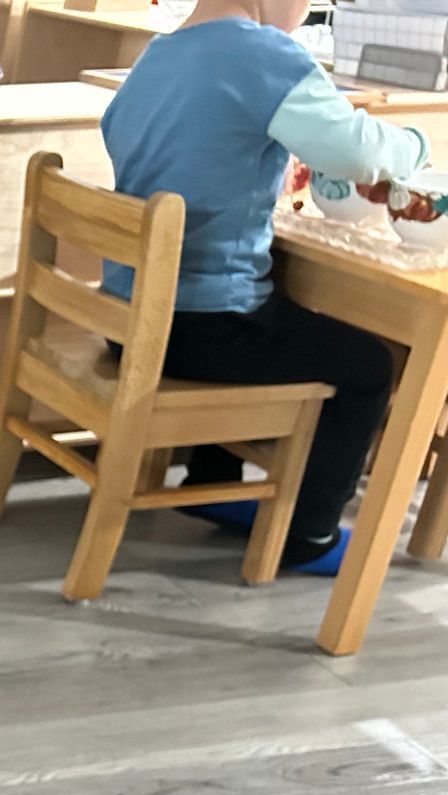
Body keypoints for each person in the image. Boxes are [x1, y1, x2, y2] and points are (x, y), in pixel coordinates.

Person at [102, 0, 429, 575]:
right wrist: (415, 146)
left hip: (129, 317)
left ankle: (216, 483)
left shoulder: (159, 56)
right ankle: (310, 535)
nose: (305, 13)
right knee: (368, 366)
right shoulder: (261, 53)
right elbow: (358, 151)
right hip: (202, 325)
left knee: (273, 304)